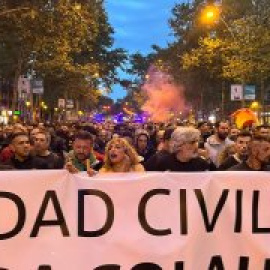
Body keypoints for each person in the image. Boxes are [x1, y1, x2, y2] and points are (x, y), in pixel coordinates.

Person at [147, 127, 212, 172]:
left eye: (197, 142)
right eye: (192, 142)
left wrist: (208, 158)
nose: (196, 145)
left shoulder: (202, 164)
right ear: (179, 145)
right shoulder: (163, 163)